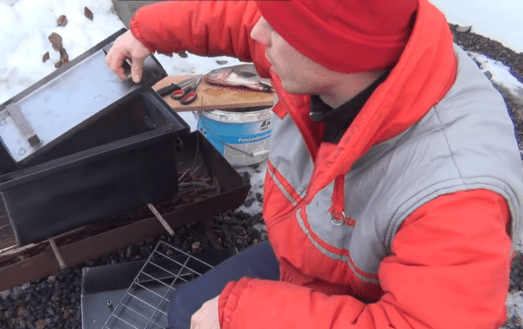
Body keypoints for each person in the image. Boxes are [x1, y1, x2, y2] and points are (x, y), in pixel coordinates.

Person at [106, 0, 523, 328]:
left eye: (277, 26)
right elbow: (244, 17)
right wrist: (149, 32)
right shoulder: (346, 57)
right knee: (185, 311)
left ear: (332, 49)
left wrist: (244, 316)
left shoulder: (456, 196)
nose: (257, 32)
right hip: (315, 260)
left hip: (372, 303)